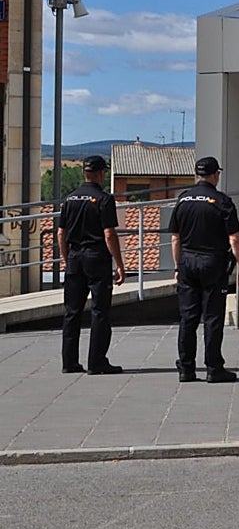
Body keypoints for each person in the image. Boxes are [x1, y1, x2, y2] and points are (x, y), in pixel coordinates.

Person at [169, 156, 239, 383]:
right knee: (213, 317)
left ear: (197, 175)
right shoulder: (222, 201)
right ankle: (214, 368)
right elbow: (235, 239)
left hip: (187, 261)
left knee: (188, 317)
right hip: (213, 263)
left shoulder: (183, 199)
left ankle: (186, 368)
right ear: (216, 175)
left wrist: (177, 266)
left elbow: (175, 238)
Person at [57, 155, 126, 375]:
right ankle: (97, 362)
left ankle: (69, 362)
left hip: (75, 257)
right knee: (100, 311)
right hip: (96, 258)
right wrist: (119, 263)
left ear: (84, 173)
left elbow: (61, 233)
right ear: (101, 173)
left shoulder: (70, 199)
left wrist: (67, 258)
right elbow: (109, 234)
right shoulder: (104, 199)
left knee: (72, 312)